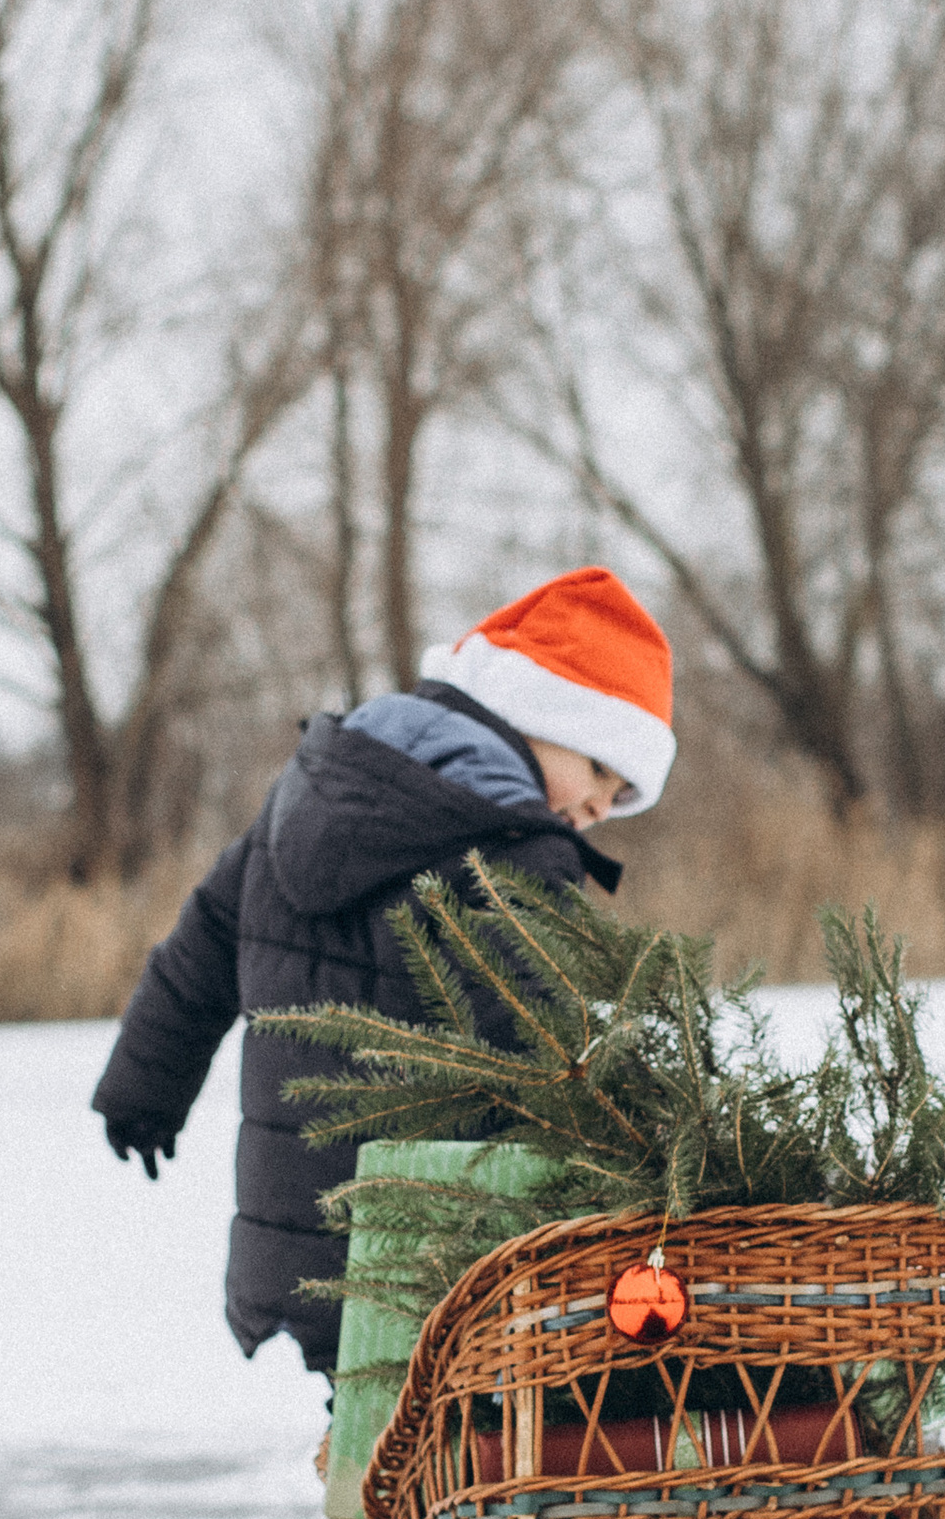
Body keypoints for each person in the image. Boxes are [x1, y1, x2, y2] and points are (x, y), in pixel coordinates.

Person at [92, 567, 676, 1381]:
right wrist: (664, 1144)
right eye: (598, 772)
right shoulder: (510, 852)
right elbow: (550, 1047)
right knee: (443, 1439)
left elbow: (203, 944)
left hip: (298, 1218)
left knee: (370, 1421)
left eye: (622, 797)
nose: (598, 811)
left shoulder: (307, 792)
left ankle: (360, 1493)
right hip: (434, 1241)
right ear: (534, 717)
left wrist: (143, 1089)